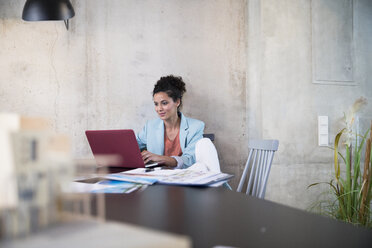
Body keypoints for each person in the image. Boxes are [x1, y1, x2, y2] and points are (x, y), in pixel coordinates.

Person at [136, 75, 205, 169]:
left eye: (164, 103)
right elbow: (132, 147)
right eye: (156, 104)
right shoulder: (150, 126)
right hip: (157, 179)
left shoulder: (196, 127)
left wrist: (162, 159)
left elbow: (189, 160)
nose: (159, 109)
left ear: (177, 102)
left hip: (185, 179)